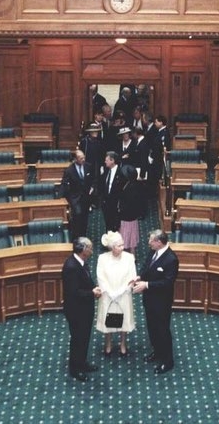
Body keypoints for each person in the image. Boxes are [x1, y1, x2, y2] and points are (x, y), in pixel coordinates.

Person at [132, 230, 179, 375]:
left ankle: (167, 361)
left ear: (159, 242)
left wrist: (146, 285)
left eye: (151, 240)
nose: (148, 243)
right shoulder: (153, 251)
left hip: (161, 301)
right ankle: (157, 351)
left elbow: (167, 282)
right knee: (152, 327)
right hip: (149, 299)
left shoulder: (171, 259)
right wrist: (139, 277)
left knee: (162, 330)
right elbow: (147, 267)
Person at [62, 237, 102, 382]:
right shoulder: (71, 266)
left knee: (84, 337)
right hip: (76, 310)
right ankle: (75, 369)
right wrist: (92, 293)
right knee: (78, 339)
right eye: (90, 248)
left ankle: (82, 362)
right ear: (83, 250)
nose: (92, 250)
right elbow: (74, 292)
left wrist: (92, 288)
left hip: (85, 308)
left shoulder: (81, 262)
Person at [96, 231, 136, 356]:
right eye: (119, 245)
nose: (122, 247)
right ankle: (108, 343)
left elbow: (132, 276)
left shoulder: (129, 257)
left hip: (123, 294)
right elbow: (100, 276)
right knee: (109, 318)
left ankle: (123, 343)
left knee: (123, 319)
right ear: (112, 247)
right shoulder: (102, 258)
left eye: (123, 245)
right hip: (108, 294)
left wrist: (122, 291)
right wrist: (109, 291)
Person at [60, 149, 95, 239]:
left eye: (84, 157)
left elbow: (93, 180)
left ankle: (83, 236)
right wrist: (64, 198)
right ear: (75, 159)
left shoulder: (88, 166)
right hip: (75, 198)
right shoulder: (69, 170)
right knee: (77, 216)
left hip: (86, 197)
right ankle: (76, 237)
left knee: (85, 217)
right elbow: (64, 184)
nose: (83, 159)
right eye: (80, 158)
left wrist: (93, 187)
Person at [118, 164, 143, 255]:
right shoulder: (133, 184)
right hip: (132, 215)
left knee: (126, 234)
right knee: (132, 235)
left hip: (127, 215)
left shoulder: (131, 188)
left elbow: (127, 202)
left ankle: (127, 254)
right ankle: (132, 254)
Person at [100, 151, 124, 232]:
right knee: (108, 223)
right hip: (105, 202)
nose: (105, 161)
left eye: (106, 160)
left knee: (115, 224)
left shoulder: (121, 173)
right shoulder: (106, 170)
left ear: (112, 160)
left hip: (115, 203)